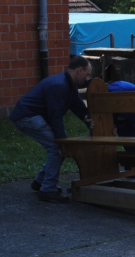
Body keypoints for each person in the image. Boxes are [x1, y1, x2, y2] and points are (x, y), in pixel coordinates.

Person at [10, 56, 94, 203]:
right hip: (27, 116)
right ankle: (48, 190)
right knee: (57, 149)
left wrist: (93, 124)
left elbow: (80, 109)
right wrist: (62, 143)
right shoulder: (59, 85)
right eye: (87, 74)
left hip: (33, 116)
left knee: (58, 149)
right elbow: (55, 116)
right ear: (79, 70)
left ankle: (40, 182)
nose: (87, 78)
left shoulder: (70, 86)